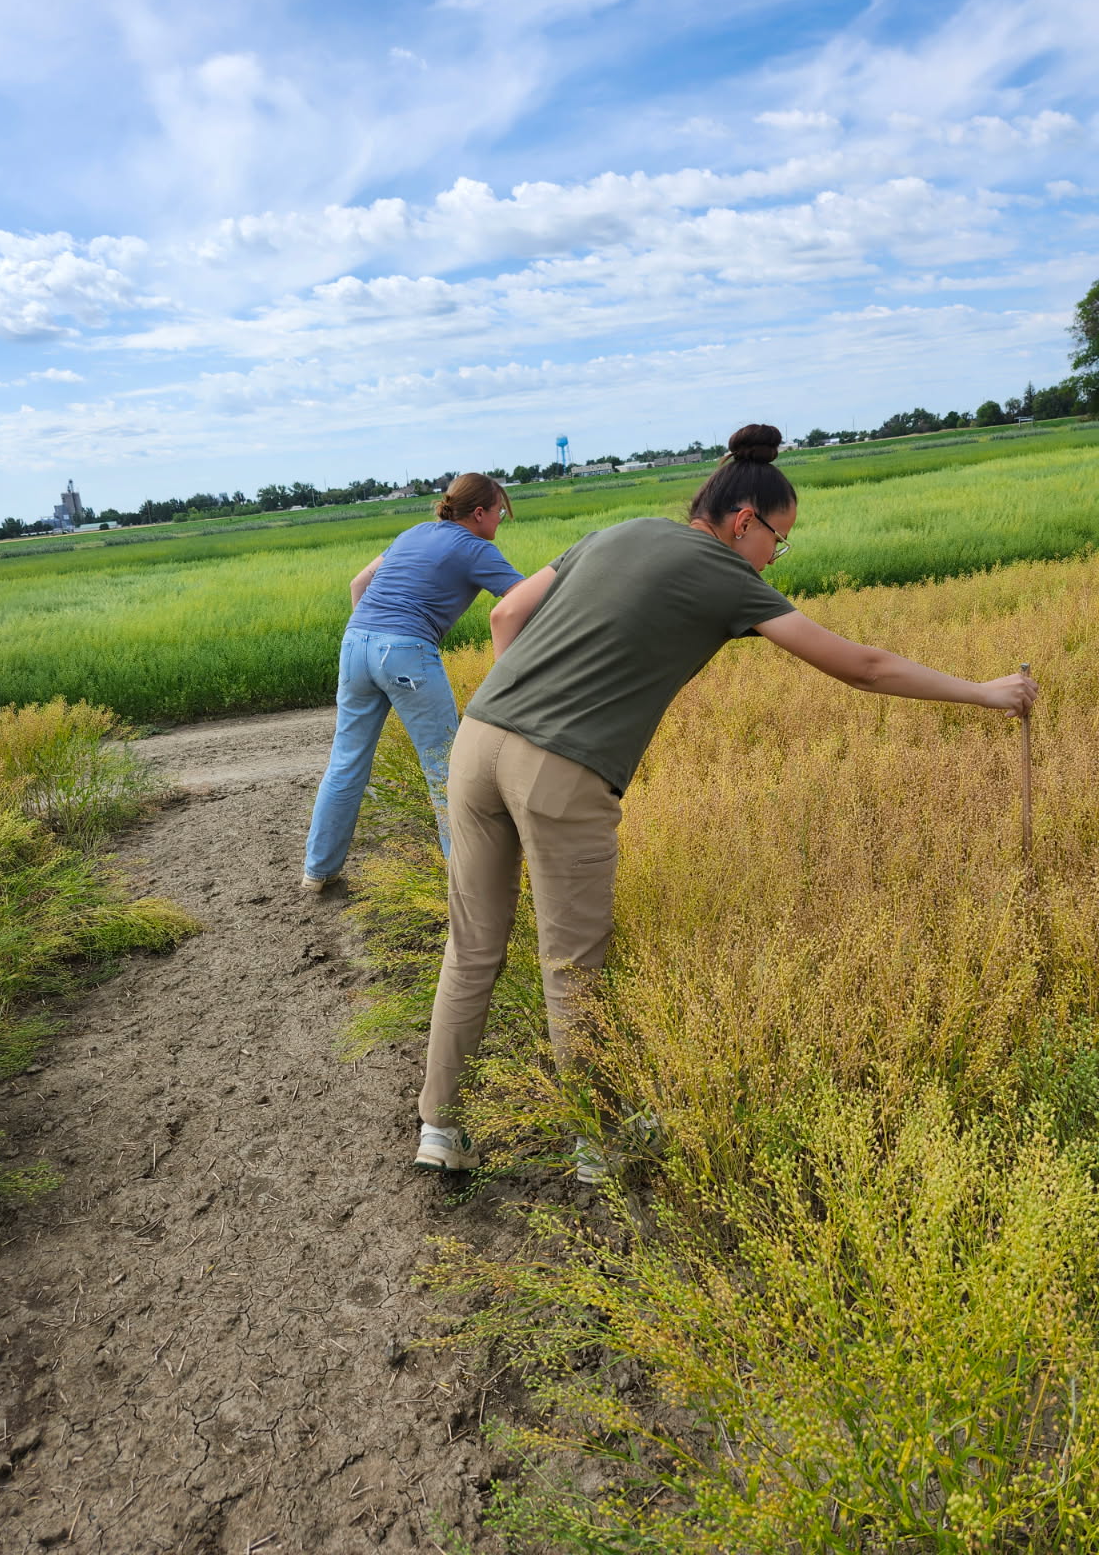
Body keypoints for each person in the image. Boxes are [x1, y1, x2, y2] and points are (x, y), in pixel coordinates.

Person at [412, 424, 1039, 1179]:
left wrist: (524, 703)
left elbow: (505, 616)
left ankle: (440, 1131)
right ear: (745, 521)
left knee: (473, 944)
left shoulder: (621, 529)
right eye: (780, 539)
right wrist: (984, 692)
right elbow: (863, 668)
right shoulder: (725, 573)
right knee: (572, 962)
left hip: (478, 740)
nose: (777, 556)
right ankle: (598, 1143)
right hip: (562, 770)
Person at [302, 473, 524, 890]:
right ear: (479, 513)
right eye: (500, 513)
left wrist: (373, 635)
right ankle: (467, 886)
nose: (500, 522)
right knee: (446, 769)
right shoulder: (476, 548)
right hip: (406, 652)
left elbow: (359, 583)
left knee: (346, 763)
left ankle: (318, 871)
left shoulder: (415, 532)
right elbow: (525, 600)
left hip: (355, 644)